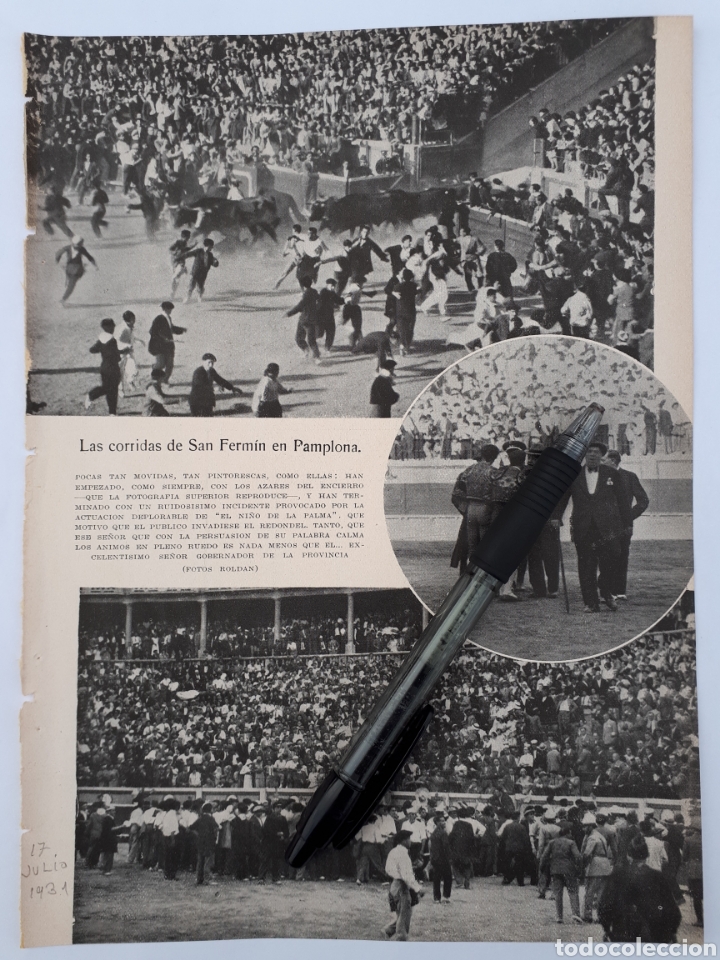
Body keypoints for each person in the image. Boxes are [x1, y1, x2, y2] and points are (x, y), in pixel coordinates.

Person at [569, 441, 625, 612]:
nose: (592, 455)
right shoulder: (574, 474)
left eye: (596, 452)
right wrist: (556, 518)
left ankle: (606, 591)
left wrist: (627, 523)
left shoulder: (612, 473)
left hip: (606, 527)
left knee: (612, 559)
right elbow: (563, 498)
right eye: (589, 452)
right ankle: (591, 603)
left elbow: (622, 500)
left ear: (602, 456)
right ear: (584, 455)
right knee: (586, 564)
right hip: (583, 526)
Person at [604, 450, 649, 600]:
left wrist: (628, 516)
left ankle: (619, 591)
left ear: (613, 461)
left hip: (623, 524)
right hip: (603, 524)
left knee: (622, 555)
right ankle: (607, 591)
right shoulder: (599, 477)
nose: (601, 462)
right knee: (604, 556)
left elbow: (643, 500)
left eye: (604, 460)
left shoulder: (629, 477)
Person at [450, 443, 501, 572]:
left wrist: (465, 510)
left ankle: (469, 575)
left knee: (472, 546)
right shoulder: (494, 472)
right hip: (485, 510)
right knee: (485, 546)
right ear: (494, 457)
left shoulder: (468, 471)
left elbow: (456, 494)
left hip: (471, 509)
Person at [538, 820, 583, 924]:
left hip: (555, 870)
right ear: (567, 833)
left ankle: (559, 916)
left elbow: (544, 856)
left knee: (558, 893)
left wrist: (541, 868)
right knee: (573, 892)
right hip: (569, 870)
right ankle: (575, 914)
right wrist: (579, 869)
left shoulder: (552, 842)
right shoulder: (571, 843)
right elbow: (578, 857)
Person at [383, 829, 421, 941]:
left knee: (402, 913)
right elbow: (406, 875)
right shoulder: (402, 854)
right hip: (401, 885)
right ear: (403, 840)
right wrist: (417, 888)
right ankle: (401, 939)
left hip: (395, 884)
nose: (410, 841)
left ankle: (388, 931)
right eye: (408, 839)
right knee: (404, 914)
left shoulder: (394, 851)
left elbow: (389, 869)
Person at [84, 318, 127, 416]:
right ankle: (93, 396)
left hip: (104, 367)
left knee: (108, 388)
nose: (114, 327)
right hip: (113, 368)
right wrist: (124, 351)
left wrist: (102, 349)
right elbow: (116, 355)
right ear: (109, 327)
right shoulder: (112, 340)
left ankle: (111, 411)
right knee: (112, 390)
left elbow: (92, 349)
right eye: (113, 325)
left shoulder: (101, 339)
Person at [581, 812, 614, 923]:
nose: (584, 828)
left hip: (595, 865)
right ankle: (601, 916)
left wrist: (582, 866)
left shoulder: (592, 837)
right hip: (605, 866)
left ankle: (588, 915)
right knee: (601, 893)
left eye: (585, 826)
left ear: (590, 826)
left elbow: (586, 854)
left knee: (590, 892)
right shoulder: (599, 836)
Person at [148, 301, 185, 384]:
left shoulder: (168, 318)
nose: (170, 311)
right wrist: (163, 339)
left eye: (171, 309)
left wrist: (181, 330)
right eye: (169, 309)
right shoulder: (158, 319)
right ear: (164, 309)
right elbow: (152, 332)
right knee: (160, 364)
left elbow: (170, 328)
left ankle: (165, 380)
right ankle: (155, 377)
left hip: (168, 346)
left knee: (170, 364)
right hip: (159, 346)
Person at [286, 276, 322, 362]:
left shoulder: (306, 294)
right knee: (310, 340)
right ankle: (313, 355)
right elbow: (319, 300)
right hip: (311, 320)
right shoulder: (314, 291)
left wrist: (289, 313)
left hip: (304, 320)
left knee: (300, 338)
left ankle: (311, 354)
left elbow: (299, 306)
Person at [55, 235, 97, 304]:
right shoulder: (68, 248)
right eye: (78, 245)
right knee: (70, 284)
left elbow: (89, 257)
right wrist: (57, 261)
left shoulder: (81, 249)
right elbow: (58, 253)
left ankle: (63, 299)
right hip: (69, 269)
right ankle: (63, 299)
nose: (79, 246)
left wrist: (94, 265)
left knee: (71, 284)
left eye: (80, 245)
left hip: (77, 270)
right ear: (74, 244)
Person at [182, 237, 219, 302]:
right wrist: (182, 258)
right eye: (211, 246)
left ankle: (199, 297)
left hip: (203, 273)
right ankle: (187, 298)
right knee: (191, 285)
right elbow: (188, 254)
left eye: (212, 247)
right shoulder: (198, 251)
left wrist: (215, 262)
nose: (211, 248)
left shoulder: (210, 255)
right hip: (195, 272)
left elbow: (213, 263)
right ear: (207, 246)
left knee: (200, 286)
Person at [191, 802, 218, 886]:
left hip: (200, 841)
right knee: (207, 861)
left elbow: (191, 828)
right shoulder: (211, 818)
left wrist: (198, 834)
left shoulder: (200, 818)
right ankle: (207, 879)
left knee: (200, 861)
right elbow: (216, 828)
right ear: (210, 810)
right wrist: (214, 836)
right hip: (209, 842)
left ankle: (199, 879)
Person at [429, 811, 453, 903]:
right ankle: (446, 896)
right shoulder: (443, 833)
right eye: (442, 821)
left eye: (444, 821)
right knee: (447, 877)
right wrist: (449, 858)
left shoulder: (434, 832)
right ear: (437, 822)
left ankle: (436, 898)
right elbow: (446, 846)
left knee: (436, 878)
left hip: (435, 858)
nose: (444, 823)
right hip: (443, 858)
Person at [316, 277, 343, 351]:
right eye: (332, 285)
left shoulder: (332, 293)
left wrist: (345, 299)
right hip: (321, 316)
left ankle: (327, 348)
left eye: (334, 286)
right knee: (319, 333)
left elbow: (338, 300)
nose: (333, 287)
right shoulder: (323, 292)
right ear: (327, 285)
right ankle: (311, 341)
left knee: (331, 332)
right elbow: (321, 304)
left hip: (329, 316)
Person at [457, 226, 486, 291]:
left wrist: (478, 253)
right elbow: (453, 242)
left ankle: (480, 287)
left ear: (465, 232)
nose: (460, 233)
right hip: (465, 259)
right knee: (468, 274)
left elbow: (483, 247)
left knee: (479, 273)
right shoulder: (460, 239)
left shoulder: (474, 239)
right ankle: (471, 288)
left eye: (461, 232)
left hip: (474, 258)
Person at [169, 229, 196, 298]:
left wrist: (193, 246)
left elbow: (185, 249)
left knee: (174, 277)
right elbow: (170, 249)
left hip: (181, 261)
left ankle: (183, 269)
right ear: (183, 236)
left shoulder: (184, 243)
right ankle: (173, 292)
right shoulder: (177, 242)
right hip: (174, 261)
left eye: (188, 237)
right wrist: (175, 253)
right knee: (176, 279)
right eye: (187, 237)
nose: (188, 239)